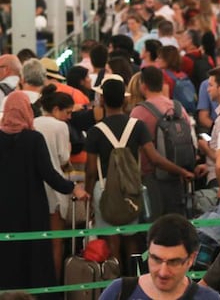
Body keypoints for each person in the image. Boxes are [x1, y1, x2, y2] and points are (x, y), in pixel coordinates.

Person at [85, 74, 193, 266]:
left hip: (104, 191)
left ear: (102, 100)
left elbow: (91, 170)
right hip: (132, 189)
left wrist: (87, 195)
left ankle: (114, 284)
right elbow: (154, 158)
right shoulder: (137, 126)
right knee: (132, 238)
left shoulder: (95, 131)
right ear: (125, 99)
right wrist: (181, 171)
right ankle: (133, 281)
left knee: (112, 239)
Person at [0, 91, 88, 297]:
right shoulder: (34, 139)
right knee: (34, 251)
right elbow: (49, 173)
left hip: (3, 209)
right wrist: (73, 188)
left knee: (7, 252)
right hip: (31, 207)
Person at [100, 214, 220, 299]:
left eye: (173, 262)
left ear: (191, 259)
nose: (163, 272)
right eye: (156, 259)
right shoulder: (118, 292)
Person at [129, 67, 194, 218]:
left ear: (143, 86)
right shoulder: (178, 108)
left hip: (152, 176)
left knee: (155, 222)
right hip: (179, 175)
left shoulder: (139, 112)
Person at [34, 85, 74, 282]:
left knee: (35, 242)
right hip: (56, 189)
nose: (69, 117)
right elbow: (63, 158)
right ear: (57, 109)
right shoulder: (60, 127)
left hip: (35, 188)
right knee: (56, 244)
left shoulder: (32, 123)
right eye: (68, 112)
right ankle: (55, 286)